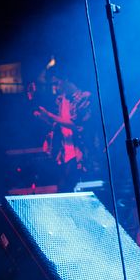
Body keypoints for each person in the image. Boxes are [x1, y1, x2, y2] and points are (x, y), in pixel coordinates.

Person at [30, 60, 92, 192]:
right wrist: (44, 117)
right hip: (64, 151)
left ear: (65, 80)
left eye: (57, 83)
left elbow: (76, 125)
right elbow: (58, 124)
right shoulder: (60, 100)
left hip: (79, 150)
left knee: (66, 186)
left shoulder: (82, 98)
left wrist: (50, 116)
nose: (56, 88)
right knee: (63, 187)